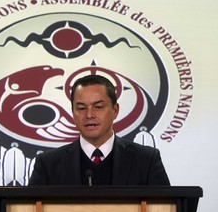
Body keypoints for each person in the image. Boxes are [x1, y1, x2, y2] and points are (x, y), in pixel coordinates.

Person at [28, 74, 170, 186]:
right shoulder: (48, 164)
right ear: (72, 112)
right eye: (81, 108)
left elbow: (167, 208)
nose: (89, 115)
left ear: (115, 110)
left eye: (98, 107)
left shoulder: (146, 160)